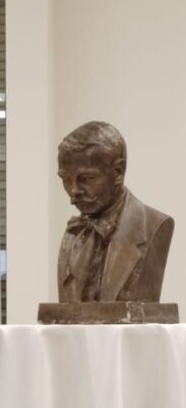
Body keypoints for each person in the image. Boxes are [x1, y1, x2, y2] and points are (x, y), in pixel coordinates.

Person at [57, 121, 174, 302]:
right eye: (66, 179)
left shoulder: (154, 225)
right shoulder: (72, 234)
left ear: (118, 172)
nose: (74, 191)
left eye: (86, 178)